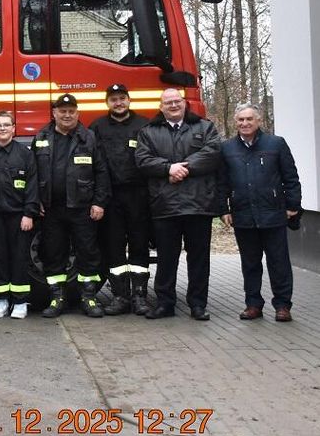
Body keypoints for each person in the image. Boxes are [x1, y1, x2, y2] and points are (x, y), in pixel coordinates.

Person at [135, 89, 222, 321]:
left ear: (184, 103)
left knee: (199, 259)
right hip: (165, 205)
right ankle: (165, 304)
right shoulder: (148, 132)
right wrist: (168, 169)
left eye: (177, 101)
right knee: (166, 259)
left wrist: (182, 169)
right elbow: (142, 160)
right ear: (161, 107)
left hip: (198, 204)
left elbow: (213, 153)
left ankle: (198, 305)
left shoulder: (205, 127)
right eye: (168, 102)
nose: (173, 105)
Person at [217, 103, 301, 323]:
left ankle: (282, 305)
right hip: (243, 215)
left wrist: (293, 205)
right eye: (240, 120)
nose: (245, 123)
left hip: (273, 214)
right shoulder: (226, 148)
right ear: (235, 122)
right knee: (250, 264)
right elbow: (221, 182)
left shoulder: (276, 144)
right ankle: (253, 304)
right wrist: (223, 209)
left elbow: (291, 178)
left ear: (259, 120)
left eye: (249, 119)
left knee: (279, 263)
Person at [33, 94, 110, 320]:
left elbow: (102, 172)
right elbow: (32, 172)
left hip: (82, 208)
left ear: (78, 113)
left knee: (88, 253)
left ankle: (89, 298)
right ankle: (57, 298)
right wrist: (35, 200)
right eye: (62, 111)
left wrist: (99, 202)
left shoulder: (89, 138)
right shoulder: (41, 137)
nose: (67, 115)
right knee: (53, 254)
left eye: (71, 111)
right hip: (51, 209)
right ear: (54, 113)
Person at [89, 84, 151, 315]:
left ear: (129, 100)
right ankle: (120, 296)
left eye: (122, 98)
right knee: (113, 247)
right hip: (110, 196)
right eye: (113, 99)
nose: (118, 103)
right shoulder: (97, 127)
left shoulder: (144, 125)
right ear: (107, 102)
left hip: (138, 196)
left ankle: (140, 296)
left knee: (139, 246)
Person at [0, 110, 39, 319]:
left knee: (20, 258)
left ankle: (20, 301)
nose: (2, 128)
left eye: (6, 125)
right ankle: (1, 300)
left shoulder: (25, 155)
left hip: (19, 216)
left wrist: (29, 213)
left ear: (13, 128)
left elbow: (32, 185)